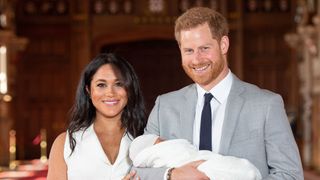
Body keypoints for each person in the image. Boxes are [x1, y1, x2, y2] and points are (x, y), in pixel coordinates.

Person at [133, 7, 304, 180]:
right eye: (189, 51)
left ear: (223, 45)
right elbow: (137, 170)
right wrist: (171, 174)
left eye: (204, 48)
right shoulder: (165, 106)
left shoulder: (266, 105)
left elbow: (290, 174)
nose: (196, 59)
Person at [47, 53, 147, 180]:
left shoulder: (146, 139)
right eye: (101, 85)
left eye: (119, 84)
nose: (110, 93)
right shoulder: (64, 144)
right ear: (88, 90)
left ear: (129, 89)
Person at [130, 134, 262, 180]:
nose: (165, 140)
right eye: (161, 140)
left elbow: (282, 170)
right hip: (202, 167)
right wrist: (171, 175)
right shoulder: (162, 105)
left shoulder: (268, 103)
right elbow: (136, 172)